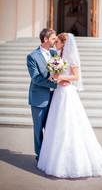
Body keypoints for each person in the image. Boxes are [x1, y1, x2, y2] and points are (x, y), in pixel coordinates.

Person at [37, 32, 102, 178]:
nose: (55, 44)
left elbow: (76, 76)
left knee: (70, 125)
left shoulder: (70, 56)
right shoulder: (58, 57)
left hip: (67, 93)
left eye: (57, 41)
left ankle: (75, 162)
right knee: (57, 126)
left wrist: (61, 77)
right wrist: (54, 77)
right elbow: (57, 74)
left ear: (64, 43)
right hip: (58, 93)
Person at [26, 28, 69, 161]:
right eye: (53, 38)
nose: (55, 40)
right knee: (38, 128)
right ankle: (40, 155)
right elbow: (36, 79)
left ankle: (50, 153)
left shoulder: (53, 53)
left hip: (54, 97)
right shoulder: (32, 57)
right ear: (45, 39)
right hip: (39, 97)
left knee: (51, 127)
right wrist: (55, 84)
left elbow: (58, 71)